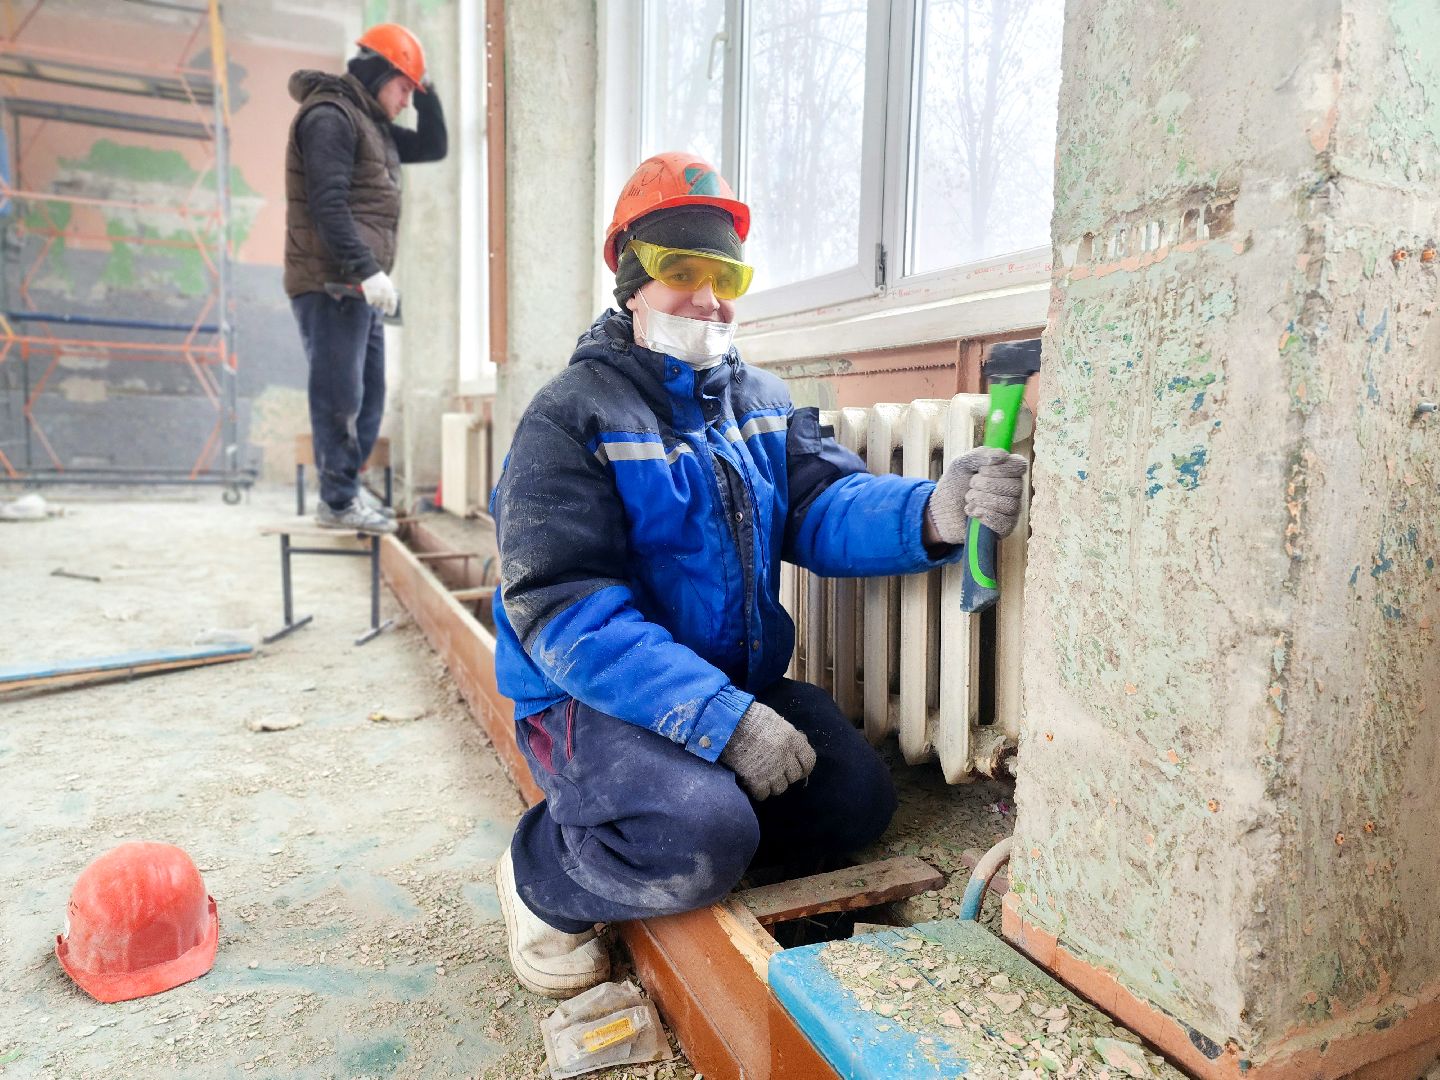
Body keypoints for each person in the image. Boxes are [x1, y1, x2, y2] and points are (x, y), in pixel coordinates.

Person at [490, 152, 1030, 998]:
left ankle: (692, 831)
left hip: (727, 684)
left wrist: (934, 511)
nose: (709, 298)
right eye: (682, 272)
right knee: (697, 835)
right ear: (630, 281)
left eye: (727, 276)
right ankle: (542, 879)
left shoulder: (762, 402)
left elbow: (822, 505)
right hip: (591, 701)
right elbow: (565, 611)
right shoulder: (571, 416)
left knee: (854, 801)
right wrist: (724, 724)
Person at [283, 23, 447, 534]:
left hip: (360, 287)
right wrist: (368, 270)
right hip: (332, 282)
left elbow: (432, 145)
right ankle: (336, 502)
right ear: (378, 75)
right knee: (339, 397)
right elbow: (327, 205)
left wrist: (426, 87)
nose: (406, 101)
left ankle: (347, 494)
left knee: (369, 397)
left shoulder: (371, 124)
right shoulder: (330, 118)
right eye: (403, 88)